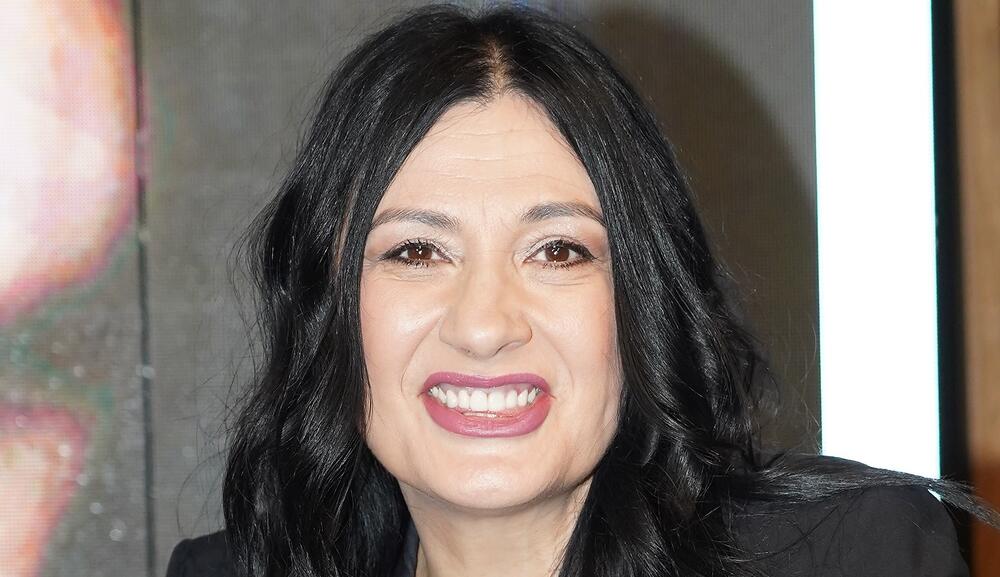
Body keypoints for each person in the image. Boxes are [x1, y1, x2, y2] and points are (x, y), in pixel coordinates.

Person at [166, 4, 997, 577]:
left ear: (641, 303)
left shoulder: (847, 554)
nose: (484, 324)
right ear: (331, 310)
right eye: (416, 250)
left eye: (557, 250)